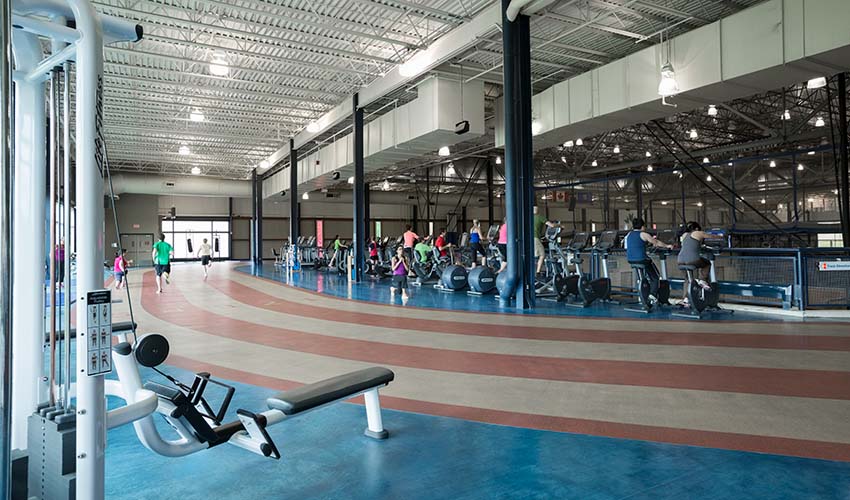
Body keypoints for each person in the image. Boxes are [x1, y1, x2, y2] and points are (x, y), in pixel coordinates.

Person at [624, 218, 674, 303]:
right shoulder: (643, 234)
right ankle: (653, 295)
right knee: (655, 277)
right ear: (642, 226)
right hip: (641, 259)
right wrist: (667, 246)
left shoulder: (629, 234)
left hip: (631, 259)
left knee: (643, 277)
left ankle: (644, 294)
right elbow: (656, 242)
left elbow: (626, 246)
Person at [677, 221, 717, 305]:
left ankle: (685, 299)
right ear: (696, 228)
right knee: (707, 263)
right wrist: (720, 236)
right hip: (692, 260)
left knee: (688, 279)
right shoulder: (698, 233)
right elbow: (712, 237)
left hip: (680, 261)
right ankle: (702, 280)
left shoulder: (684, 235)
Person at [533, 206, 559, 275]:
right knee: (542, 255)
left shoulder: (528, 218)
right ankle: (537, 272)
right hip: (535, 238)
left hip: (528, 239)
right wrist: (559, 225)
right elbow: (552, 225)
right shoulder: (540, 217)